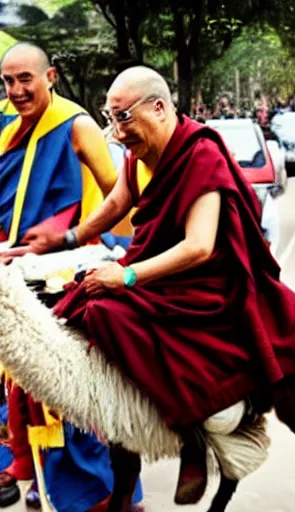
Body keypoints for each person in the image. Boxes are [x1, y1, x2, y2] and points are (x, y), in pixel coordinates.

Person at [23, 66, 295, 506]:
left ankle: (191, 432)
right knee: (77, 300)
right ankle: (116, 428)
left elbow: (200, 247)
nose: (117, 131)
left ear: (160, 108)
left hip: (208, 286)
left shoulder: (200, 153)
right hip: (160, 273)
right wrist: (68, 239)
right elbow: (116, 204)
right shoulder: (140, 156)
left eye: (124, 117)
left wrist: (127, 276)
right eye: (111, 118)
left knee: (109, 310)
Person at [0, 42, 141, 510]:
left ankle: (106, 494)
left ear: (51, 76)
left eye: (26, 79)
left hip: (67, 277)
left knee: (73, 391)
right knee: (25, 390)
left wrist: (114, 259)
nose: (17, 90)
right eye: (8, 81)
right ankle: (41, 477)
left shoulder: (76, 125)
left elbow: (119, 196)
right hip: (16, 277)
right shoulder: (5, 130)